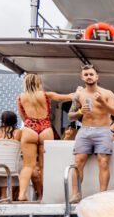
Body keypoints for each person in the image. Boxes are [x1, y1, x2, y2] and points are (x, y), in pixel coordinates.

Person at [16, 73, 73, 201]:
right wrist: (79, 92)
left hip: (29, 128)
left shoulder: (20, 98)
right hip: (46, 128)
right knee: (44, 166)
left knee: (28, 165)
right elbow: (67, 97)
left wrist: (30, 124)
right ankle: (44, 195)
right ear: (38, 83)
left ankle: (21, 194)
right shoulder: (46, 95)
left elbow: (23, 117)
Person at [68, 64, 114, 200]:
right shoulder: (79, 95)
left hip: (103, 130)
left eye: (91, 74)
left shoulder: (107, 93)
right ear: (82, 77)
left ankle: (102, 195)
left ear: (97, 76)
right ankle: (76, 194)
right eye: (86, 75)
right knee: (78, 161)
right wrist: (80, 112)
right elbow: (70, 115)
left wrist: (102, 102)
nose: (89, 77)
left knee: (103, 162)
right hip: (84, 130)